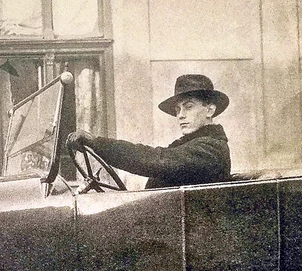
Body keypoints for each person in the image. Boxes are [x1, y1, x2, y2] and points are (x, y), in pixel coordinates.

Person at [67, 74, 231, 189]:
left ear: (209, 110)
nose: (180, 115)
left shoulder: (210, 149)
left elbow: (155, 160)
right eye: (177, 109)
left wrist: (97, 143)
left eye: (189, 107)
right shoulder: (189, 145)